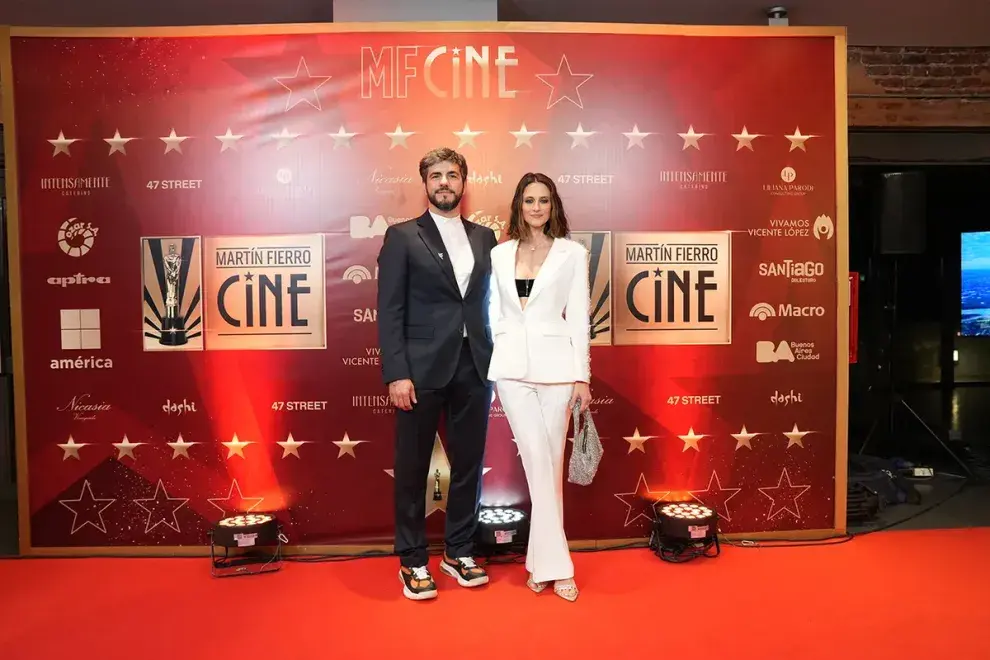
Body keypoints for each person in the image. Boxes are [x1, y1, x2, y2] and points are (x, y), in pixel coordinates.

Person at [377, 147, 499, 601]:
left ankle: (459, 550)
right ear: (425, 183)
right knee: (411, 468)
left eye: (452, 174)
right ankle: (411, 560)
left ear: (463, 181)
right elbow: (389, 311)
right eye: (436, 175)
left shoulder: (486, 238)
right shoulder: (403, 236)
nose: (444, 182)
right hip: (420, 370)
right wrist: (396, 373)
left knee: (469, 464)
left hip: (475, 366)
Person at [487, 172, 592, 602]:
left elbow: (580, 317)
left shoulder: (572, 253)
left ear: (553, 206)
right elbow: (495, 311)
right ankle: (559, 566)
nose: (536, 207)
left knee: (549, 463)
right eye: (529, 200)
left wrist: (582, 375)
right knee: (536, 461)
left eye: (543, 200)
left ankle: (541, 561)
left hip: (557, 369)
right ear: (519, 204)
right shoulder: (499, 254)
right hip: (512, 369)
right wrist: (503, 343)